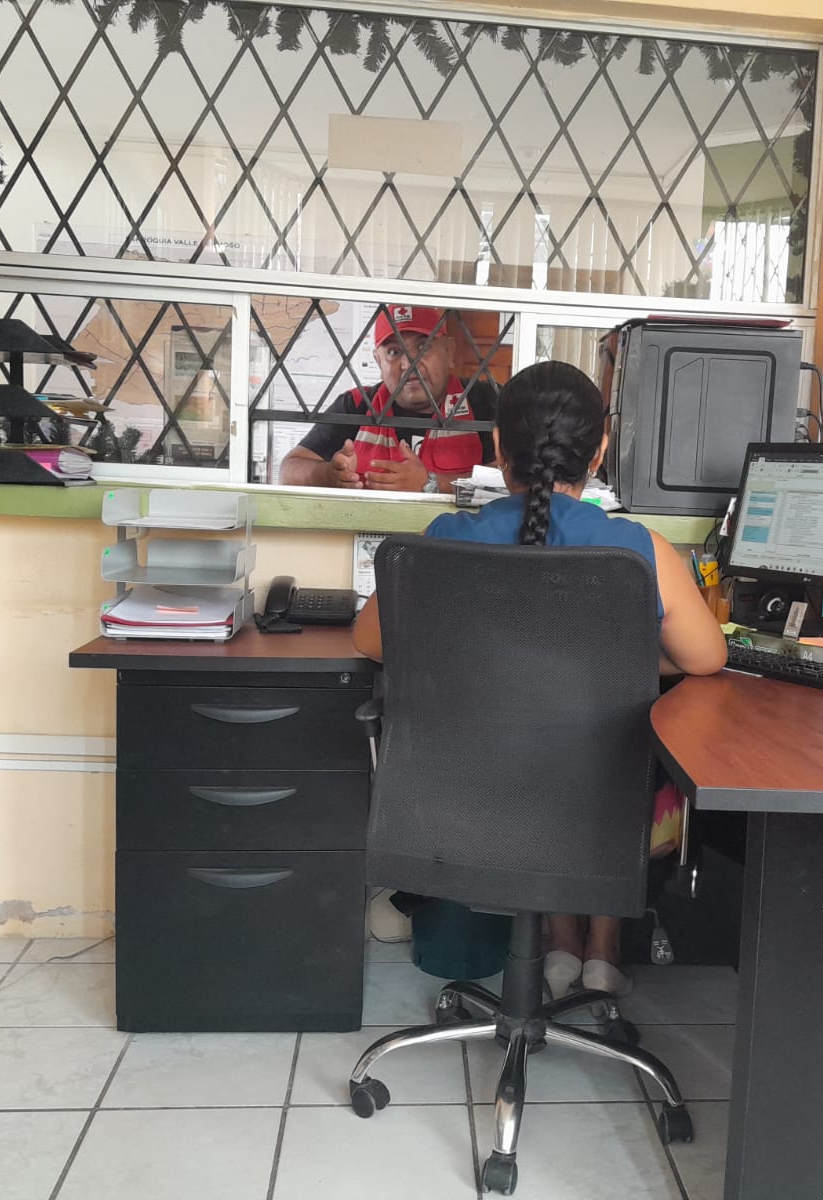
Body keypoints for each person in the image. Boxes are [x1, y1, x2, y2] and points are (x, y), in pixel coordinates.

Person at [354, 360, 727, 998]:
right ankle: (598, 947)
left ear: (498, 447)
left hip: (460, 808)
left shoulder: (444, 539)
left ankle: (562, 942)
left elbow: (370, 641)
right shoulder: (639, 550)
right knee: (616, 755)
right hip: (598, 810)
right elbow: (706, 659)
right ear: (600, 451)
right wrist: (624, 656)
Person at [279, 305, 497, 493]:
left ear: (449, 352)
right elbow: (288, 472)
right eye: (394, 352)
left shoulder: (484, 401)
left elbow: (509, 482)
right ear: (378, 361)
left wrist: (432, 484)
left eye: (423, 347)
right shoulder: (357, 405)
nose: (408, 364)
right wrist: (329, 475)